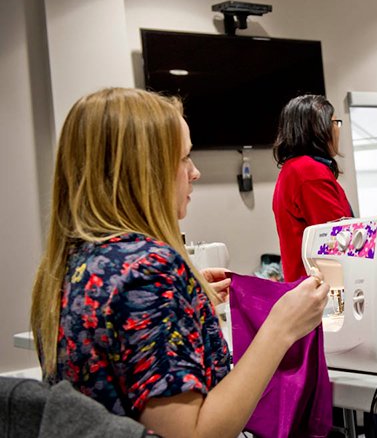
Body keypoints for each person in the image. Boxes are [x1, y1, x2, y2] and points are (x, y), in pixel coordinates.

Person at [30, 88, 329, 438]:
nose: (195, 172)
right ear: (145, 171)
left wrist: (185, 304)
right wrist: (280, 329)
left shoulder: (74, 264)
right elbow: (193, 434)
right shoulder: (149, 270)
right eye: (184, 158)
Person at [272, 94, 353, 283]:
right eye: (335, 123)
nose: (337, 130)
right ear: (319, 128)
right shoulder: (309, 173)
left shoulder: (292, 170)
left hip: (310, 288)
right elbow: (340, 241)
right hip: (324, 290)